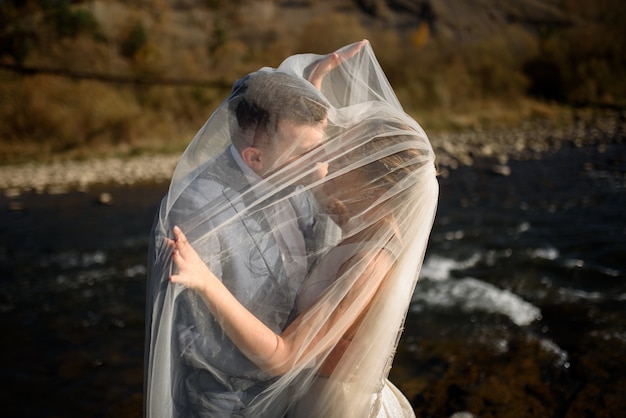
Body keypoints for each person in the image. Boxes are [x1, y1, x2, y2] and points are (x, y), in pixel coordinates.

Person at [169, 107, 439, 417]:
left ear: (375, 189)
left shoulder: (367, 263)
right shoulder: (373, 223)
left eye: (346, 158)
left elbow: (282, 357)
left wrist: (205, 281)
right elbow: (317, 184)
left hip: (329, 405)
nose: (328, 159)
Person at [145, 42, 367, 417]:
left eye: (321, 145)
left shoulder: (293, 173)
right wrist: (284, 359)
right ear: (254, 158)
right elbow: (195, 338)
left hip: (299, 386)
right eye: (306, 151)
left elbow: (318, 254)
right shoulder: (196, 210)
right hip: (233, 404)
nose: (324, 160)